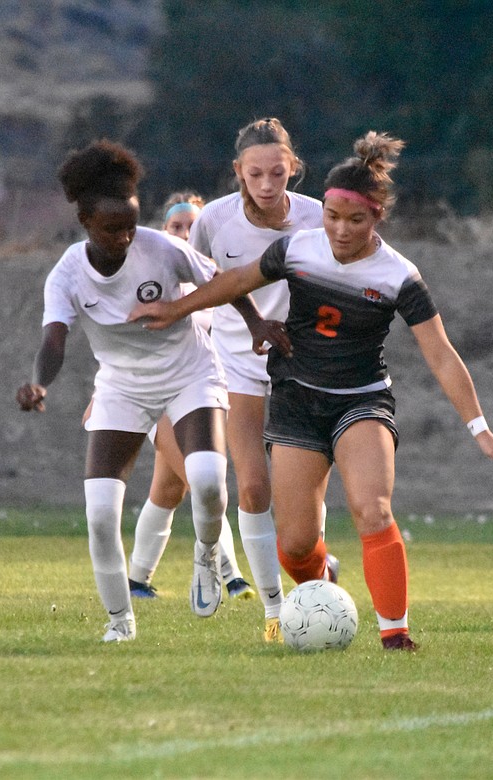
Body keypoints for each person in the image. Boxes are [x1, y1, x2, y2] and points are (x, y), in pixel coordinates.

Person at [132, 131, 493, 651]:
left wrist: (481, 429)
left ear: (377, 218)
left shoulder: (399, 276)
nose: (340, 230)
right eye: (333, 217)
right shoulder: (296, 248)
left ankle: (395, 634)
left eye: (355, 220)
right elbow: (233, 283)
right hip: (297, 399)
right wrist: (176, 309)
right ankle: (322, 590)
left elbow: (440, 353)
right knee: (295, 546)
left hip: (361, 401)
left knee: (372, 509)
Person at [16, 140, 274, 642]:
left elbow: (223, 283)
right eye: (113, 228)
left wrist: (258, 324)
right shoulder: (67, 274)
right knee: (100, 514)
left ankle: (206, 553)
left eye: (132, 224)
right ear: (86, 222)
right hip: (121, 387)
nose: (126, 236)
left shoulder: (160, 247)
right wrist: (38, 383)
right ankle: (120, 622)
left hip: (190, 374)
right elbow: (54, 340)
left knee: (206, 480)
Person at [187, 118, 325, 642]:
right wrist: (250, 323)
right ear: (237, 174)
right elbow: (200, 283)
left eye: (277, 173)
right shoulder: (214, 221)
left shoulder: (317, 216)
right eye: (255, 175)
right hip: (237, 356)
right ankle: (275, 610)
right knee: (251, 483)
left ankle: (314, 580)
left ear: (293, 168)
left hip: (303, 358)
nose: (267, 185)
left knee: (302, 497)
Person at [125, 191, 256, 602]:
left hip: (201, 394)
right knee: (204, 480)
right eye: (176, 226)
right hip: (159, 396)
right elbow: (121, 341)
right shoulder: (150, 283)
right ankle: (231, 576)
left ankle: (136, 581)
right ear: (164, 231)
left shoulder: (214, 285)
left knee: (168, 488)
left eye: (192, 227)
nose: (184, 233)